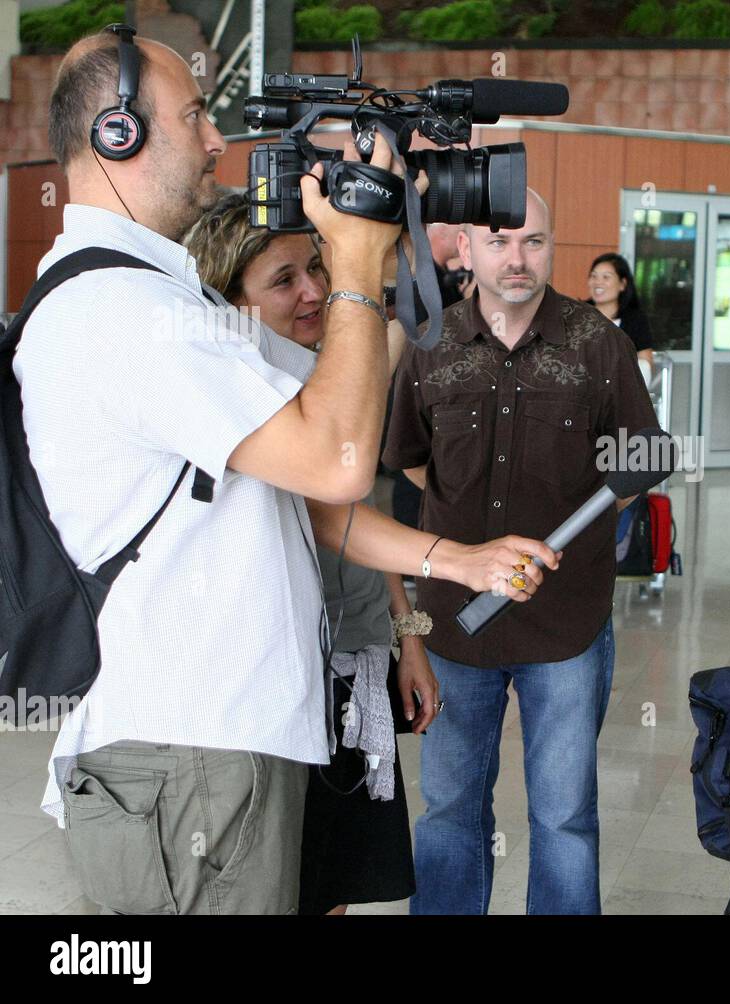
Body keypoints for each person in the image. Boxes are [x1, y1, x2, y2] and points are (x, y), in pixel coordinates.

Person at [15, 27, 552, 915]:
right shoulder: (125, 313)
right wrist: (353, 262)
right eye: (193, 116)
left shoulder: (156, 301)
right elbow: (340, 459)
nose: (218, 142)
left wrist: (454, 561)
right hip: (185, 756)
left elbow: (326, 426)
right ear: (119, 133)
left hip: (210, 749)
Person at [384, 189, 660, 915]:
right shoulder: (429, 344)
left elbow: (636, 463)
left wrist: (575, 533)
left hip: (564, 624)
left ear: (552, 246)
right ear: (465, 250)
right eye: (500, 241)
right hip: (451, 623)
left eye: (534, 242)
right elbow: (412, 460)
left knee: (564, 816)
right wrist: (461, 530)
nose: (517, 257)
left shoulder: (599, 346)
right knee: (448, 810)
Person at [185, 191, 436, 915]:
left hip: (355, 664)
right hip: (271, 681)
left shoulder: (331, 376)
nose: (315, 292)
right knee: (279, 881)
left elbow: (358, 516)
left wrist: (407, 638)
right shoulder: (228, 402)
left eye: (317, 270)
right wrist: (456, 559)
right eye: (285, 280)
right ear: (230, 302)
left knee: (338, 878)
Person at [586, 252, 654, 371]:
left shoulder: (636, 320)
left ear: (622, 284)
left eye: (606, 277)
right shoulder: (576, 315)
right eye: (594, 276)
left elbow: (646, 366)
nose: (597, 282)